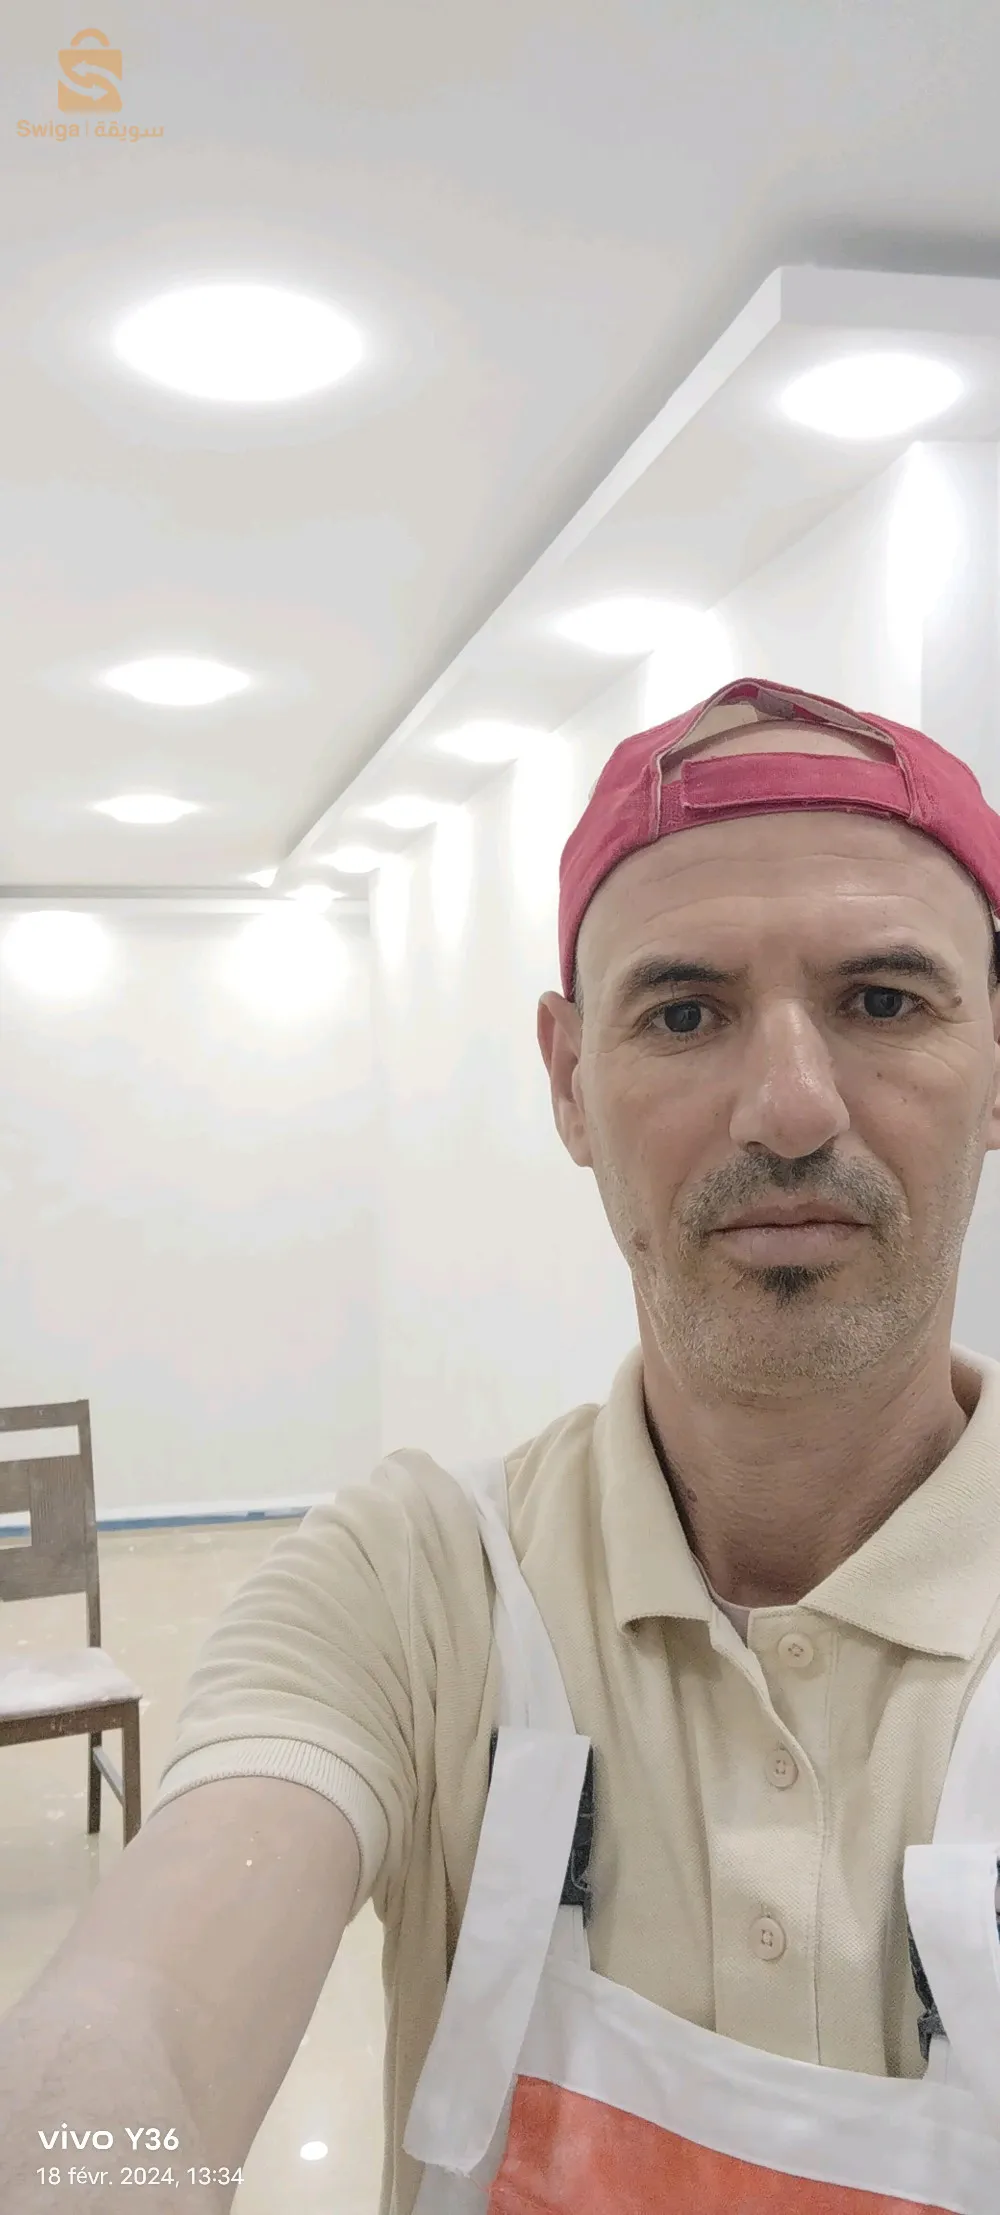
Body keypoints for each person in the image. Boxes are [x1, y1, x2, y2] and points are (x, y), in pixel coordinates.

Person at [2, 673, 1000, 2215]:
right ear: (569, 1080)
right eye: (685, 1012)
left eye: (883, 1000)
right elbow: (132, 2034)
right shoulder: (413, 1590)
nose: (792, 1108)